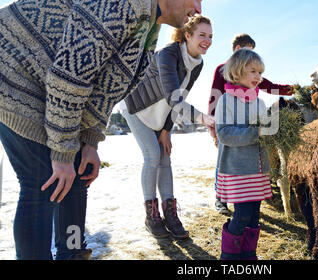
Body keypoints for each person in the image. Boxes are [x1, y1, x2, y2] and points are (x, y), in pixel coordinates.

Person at [0, 0, 214, 260]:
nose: (199, 8)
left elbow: (104, 89)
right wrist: (62, 152)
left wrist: (88, 142)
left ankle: (71, 252)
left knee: (79, 175)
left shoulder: (149, 26)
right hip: (12, 73)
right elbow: (71, 75)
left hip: (45, 87)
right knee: (43, 181)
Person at [120, 15, 214, 240]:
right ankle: (151, 216)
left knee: (165, 157)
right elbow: (174, 96)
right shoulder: (168, 54)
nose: (207, 40)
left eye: (210, 36)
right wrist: (204, 118)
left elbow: (182, 95)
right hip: (137, 106)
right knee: (152, 156)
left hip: (162, 113)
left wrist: (166, 130)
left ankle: (170, 215)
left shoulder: (198, 63)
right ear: (187, 35)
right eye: (202, 35)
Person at [208, 34, 294, 214]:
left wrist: (288, 90)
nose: (258, 75)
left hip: (249, 120)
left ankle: (249, 194)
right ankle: (220, 197)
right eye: (249, 50)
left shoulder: (252, 75)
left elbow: (267, 85)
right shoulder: (222, 69)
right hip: (227, 119)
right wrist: (213, 126)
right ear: (239, 49)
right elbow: (215, 95)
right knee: (225, 159)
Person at [214, 48, 273, 260]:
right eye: (253, 71)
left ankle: (249, 254)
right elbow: (224, 134)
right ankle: (229, 257)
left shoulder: (260, 102)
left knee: (254, 216)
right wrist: (255, 132)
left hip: (256, 169)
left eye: (261, 72)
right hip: (238, 169)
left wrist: (275, 128)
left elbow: (266, 132)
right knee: (241, 214)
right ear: (238, 72)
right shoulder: (226, 101)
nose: (259, 77)